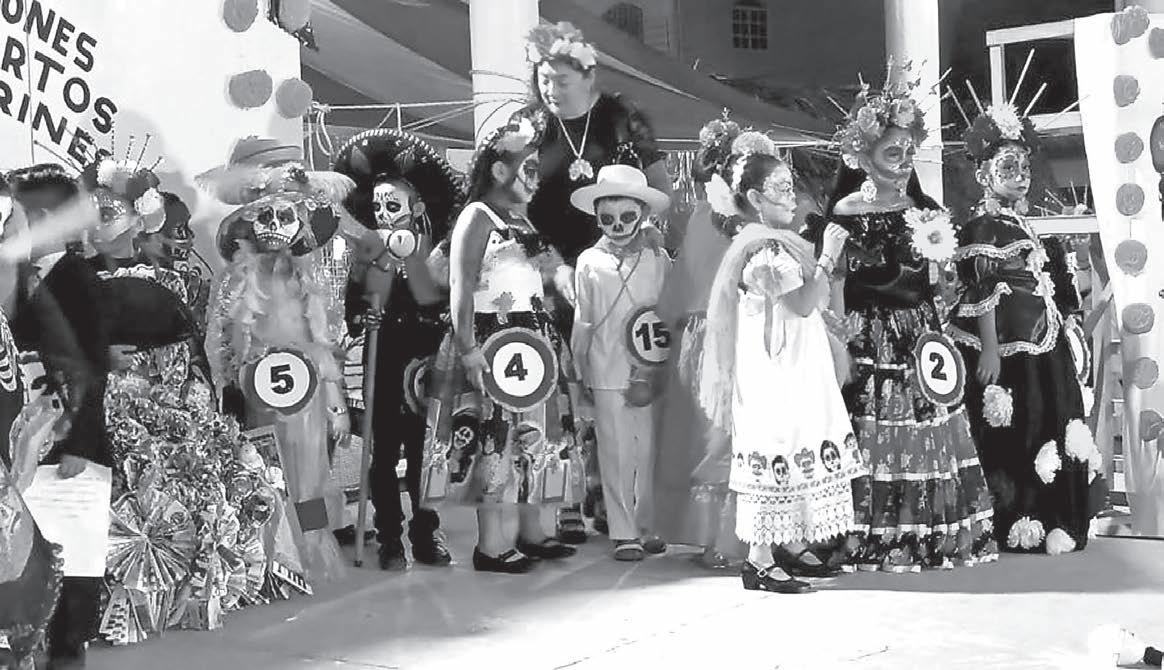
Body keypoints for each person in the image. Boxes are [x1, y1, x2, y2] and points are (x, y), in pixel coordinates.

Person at [806, 71, 996, 572]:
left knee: (928, 428)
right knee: (872, 429)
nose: (905, 161)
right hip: (869, 336)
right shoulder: (845, 212)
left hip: (920, 337)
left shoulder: (925, 210)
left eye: (910, 151)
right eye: (894, 152)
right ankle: (869, 533)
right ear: (862, 155)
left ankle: (929, 531)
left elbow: (941, 284)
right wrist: (839, 340)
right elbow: (837, 282)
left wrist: (945, 297)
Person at [514, 21, 673, 543]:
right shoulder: (529, 128)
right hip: (549, 275)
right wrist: (552, 265)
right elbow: (512, 207)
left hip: (619, 270)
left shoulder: (621, 119)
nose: (550, 90)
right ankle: (564, 497)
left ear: (588, 76)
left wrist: (642, 237)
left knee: (622, 392)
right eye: (543, 80)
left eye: (560, 81)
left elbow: (659, 187)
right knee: (560, 390)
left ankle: (616, 499)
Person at [698, 133, 865, 594]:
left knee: (799, 444)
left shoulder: (780, 245)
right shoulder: (762, 250)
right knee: (777, 446)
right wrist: (828, 256)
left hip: (794, 366)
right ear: (754, 199)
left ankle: (789, 542)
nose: (792, 197)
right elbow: (803, 302)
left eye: (792, 187)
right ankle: (759, 559)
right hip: (774, 373)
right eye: (781, 188)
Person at [421, 119, 584, 574]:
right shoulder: (477, 216)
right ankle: (490, 544)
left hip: (532, 345)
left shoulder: (519, 218)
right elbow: (461, 284)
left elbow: (546, 271)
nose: (535, 178)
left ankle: (534, 530)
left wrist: (565, 280)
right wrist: (469, 348)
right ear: (498, 171)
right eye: (527, 168)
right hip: (494, 343)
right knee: (495, 440)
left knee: (538, 438)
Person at [949, 101, 1103, 555]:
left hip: (1042, 346)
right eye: (1007, 167)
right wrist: (990, 349)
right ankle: (1019, 521)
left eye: (1024, 167)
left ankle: (1054, 518)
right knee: (1020, 429)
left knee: (1050, 425)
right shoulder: (982, 227)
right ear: (984, 175)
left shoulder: (1023, 224)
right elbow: (982, 290)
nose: (1020, 176)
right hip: (1009, 352)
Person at [203, 139, 355, 588]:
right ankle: (273, 556)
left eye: (285, 217)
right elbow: (221, 339)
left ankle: (311, 548)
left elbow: (322, 344)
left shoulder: (308, 278)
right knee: (267, 472)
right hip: (258, 394)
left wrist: (336, 404)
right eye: (266, 216)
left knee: (310, 474)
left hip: (307, 398)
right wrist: (230, 381)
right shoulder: (236, 278)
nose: (275, 227)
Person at [332, 129, 464, 570]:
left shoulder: (434, 255)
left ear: (416, 209)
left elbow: (445, 299)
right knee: (384, 454)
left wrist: (442, 320)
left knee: (426, 453)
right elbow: (352, 308)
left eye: (393, 206)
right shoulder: (367, 256)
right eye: (378, 208)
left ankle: (426, 532)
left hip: (426, 365)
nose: (384, 215)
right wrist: (362, 320)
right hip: (384, 363)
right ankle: (390, 536)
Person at [8, 163, 109, 669]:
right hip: (26, 442)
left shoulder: (77, 278)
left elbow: (92, 365)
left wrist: (79, 445)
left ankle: (69, 652)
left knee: (73, 557)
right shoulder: (17, 279)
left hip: (70, 445)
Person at [653, 116, 747, 570]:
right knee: (722, 434)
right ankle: (725, 539)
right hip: (726, 335)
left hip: (710, 336)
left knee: (712, 434)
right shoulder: (733, 220)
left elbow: (677, 290)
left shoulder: (704, 218)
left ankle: (719, 539)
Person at [570, 164, 671, 561]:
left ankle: (648, 523)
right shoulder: (588, 261)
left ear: (642, 214)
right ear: (596, 217)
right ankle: (623, 530)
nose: (617, 226)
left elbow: (669, 309)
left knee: (649, 450)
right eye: (607, 218)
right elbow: (583, 319)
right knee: (614, 451)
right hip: (606, 364)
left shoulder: (658, 257)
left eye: (627, 216)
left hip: (651, 364)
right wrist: (578, 370)